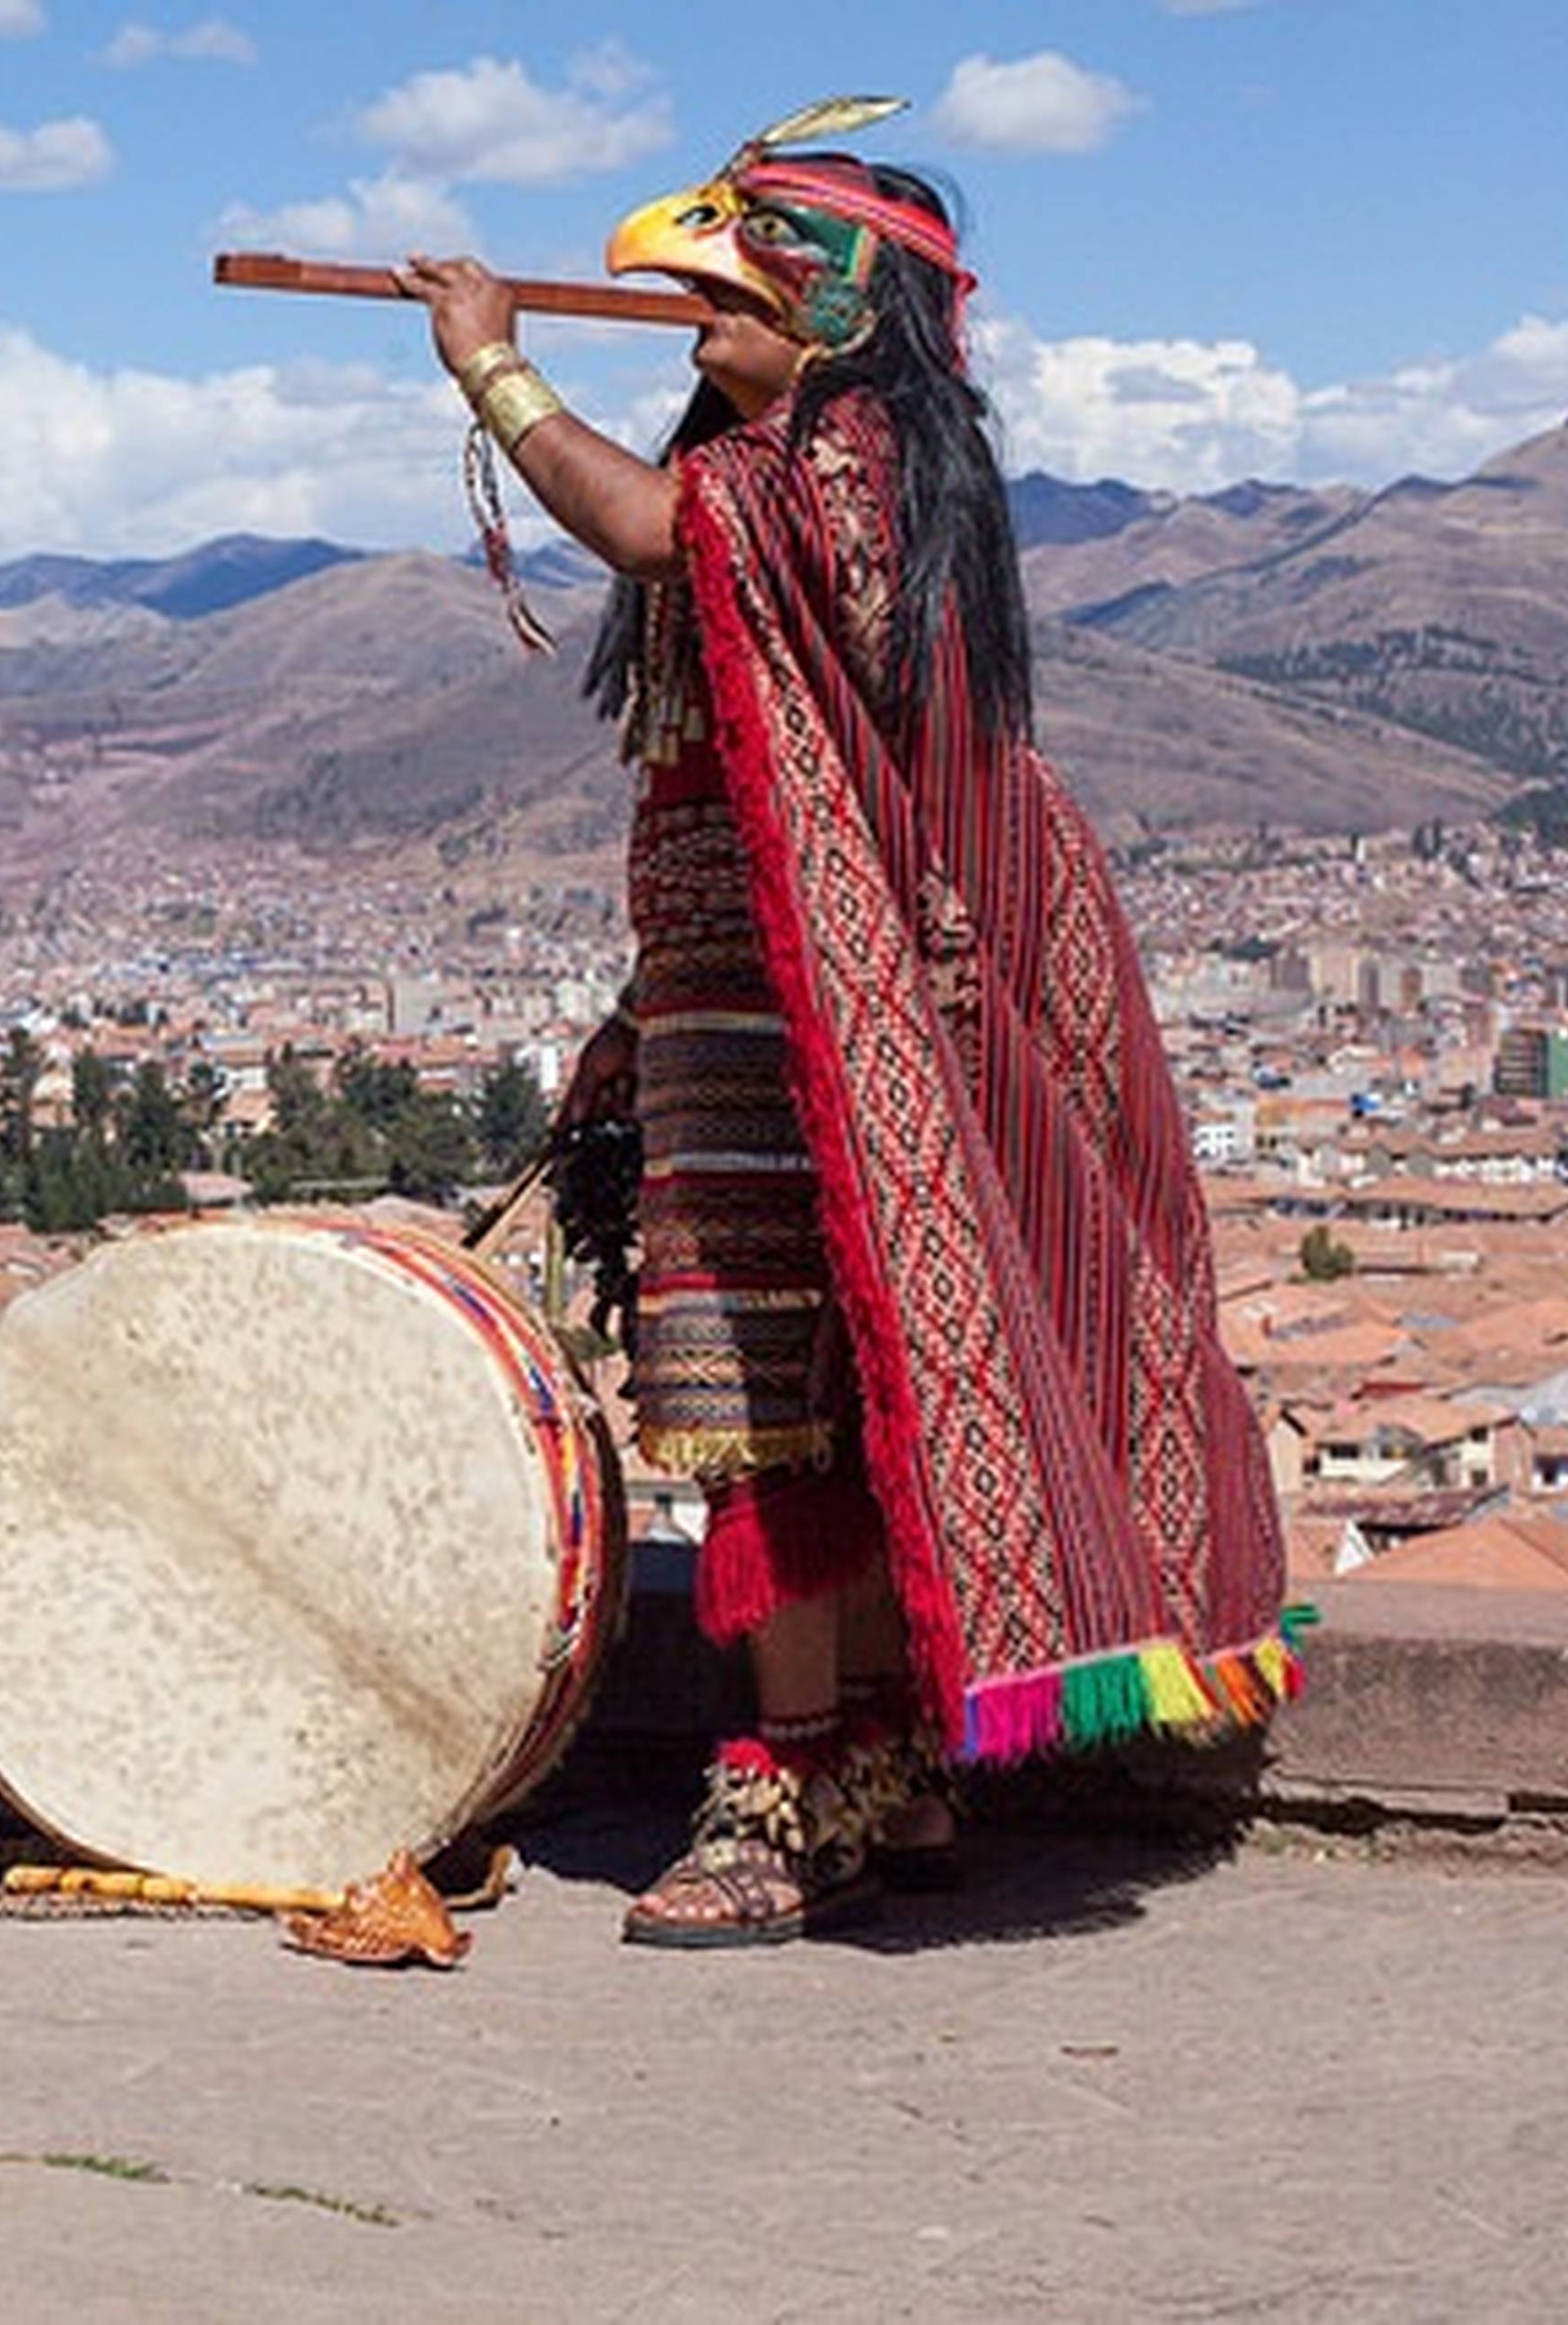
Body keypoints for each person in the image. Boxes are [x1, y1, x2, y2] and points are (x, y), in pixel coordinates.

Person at [399, 98, 1296, 1945]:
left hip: (854, 981)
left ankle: (788, 1784)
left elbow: (649, 525)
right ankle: (880, 1758)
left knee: (756, 1386)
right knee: (827, 1366)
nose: (700, 307)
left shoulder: (838, 460)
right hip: (771, 976)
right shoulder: (831, 458)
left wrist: (494, 370)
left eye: (742, 280)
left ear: (838, 311)